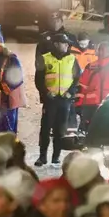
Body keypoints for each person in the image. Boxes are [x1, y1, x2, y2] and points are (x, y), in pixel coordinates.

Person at [35, 32, 81, 167]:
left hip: (64, 100)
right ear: (56, 44)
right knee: (45, 129)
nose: (67, 45)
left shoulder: (72, 59)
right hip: (51, 100)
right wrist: (45, 93)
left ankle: (56, 157)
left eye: (67, 43)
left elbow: (77, 78)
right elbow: (38, 79)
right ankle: (42, 157)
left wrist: (71, 93)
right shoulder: (45, 58)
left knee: (60, 130)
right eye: (64, 43)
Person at [74, 41, 109, 130]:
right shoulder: (91, 66)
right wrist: (78, 104)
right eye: (100, 49)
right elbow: (82, 86)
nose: (100, 52)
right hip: (91, 105)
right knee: (90, 130)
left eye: (103, 50)